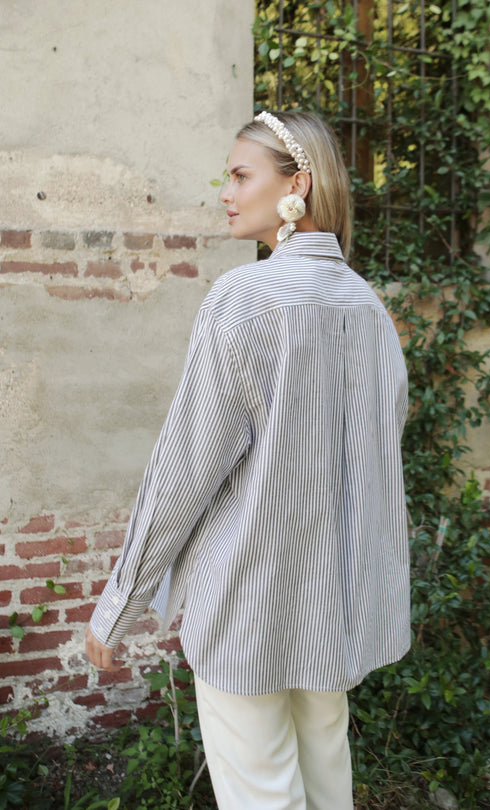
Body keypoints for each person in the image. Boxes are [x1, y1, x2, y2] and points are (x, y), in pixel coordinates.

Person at [85, 110, 410, 810]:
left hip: (247, 607)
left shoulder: (244, 299)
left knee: (263, 796)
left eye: (240, 176)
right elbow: (379, 470)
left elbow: (185, 470)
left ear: (298, 184)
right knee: (327, 786)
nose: (226, 194)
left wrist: (119, 604)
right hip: (335, 610)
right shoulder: (367, 308)